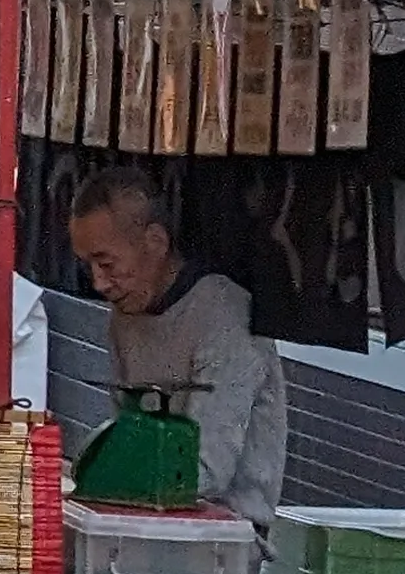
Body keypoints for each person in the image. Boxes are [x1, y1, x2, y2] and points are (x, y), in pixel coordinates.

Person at [66, 162, 287, 533]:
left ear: (155, 242)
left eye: (106, 263)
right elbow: (128, 433)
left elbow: (206, 470)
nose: (99, 283)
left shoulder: (224, 315)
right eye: (89, 267)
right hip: (143, 521)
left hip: (226, 536)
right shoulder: (124, 315)